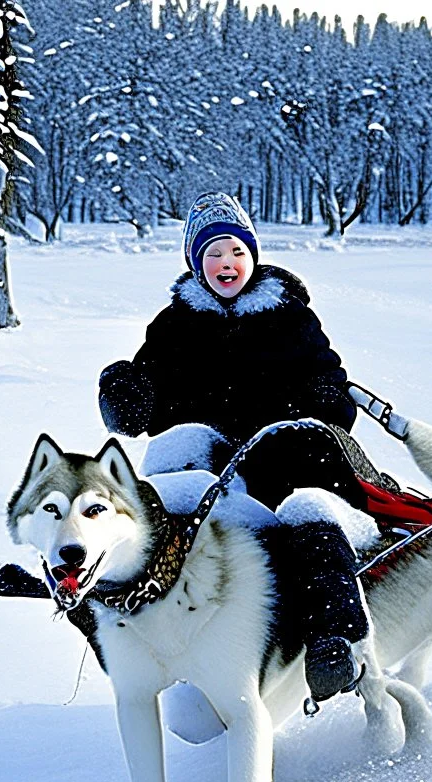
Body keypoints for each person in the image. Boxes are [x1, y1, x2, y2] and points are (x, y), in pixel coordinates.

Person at [98, 191, 371, 706]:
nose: (227, 263)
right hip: (210, 470)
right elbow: (148, 406)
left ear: (253, 255)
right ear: (197, 265)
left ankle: (334, 639)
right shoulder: (174, 326)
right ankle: (129, 606)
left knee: (305, 511)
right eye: (214, 254)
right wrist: (126, 391)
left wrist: (323, 398)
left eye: (236, 251)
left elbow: (328, 377)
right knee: (174, 457)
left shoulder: (290, 318)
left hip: (283, 457)